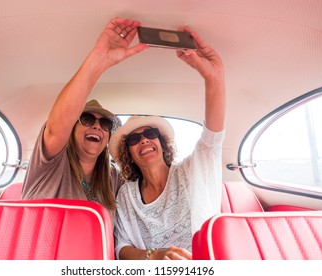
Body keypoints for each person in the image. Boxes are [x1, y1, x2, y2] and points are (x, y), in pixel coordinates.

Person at [108, 26, 226, 260]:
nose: (143, 140)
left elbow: (211, 139)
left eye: (150, 133)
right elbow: (121, 247)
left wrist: (214, 78)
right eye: (134, 138)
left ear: (161, 143)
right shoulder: (127, 195)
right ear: (128, 153)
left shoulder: (189, 172)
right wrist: (154, 256)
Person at [21, 17, 149, 222]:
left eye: (105, 124)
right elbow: (55, 129)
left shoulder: (113, 178)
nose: (97, 126)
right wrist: (98, 62)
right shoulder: (51, 164)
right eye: (87, 119)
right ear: (71, 128)